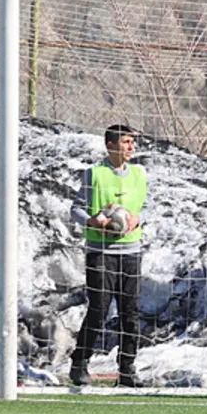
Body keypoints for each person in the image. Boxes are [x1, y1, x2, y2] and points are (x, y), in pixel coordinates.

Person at [69, 124, 147, 388]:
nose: (131, 147)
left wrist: (137, 219)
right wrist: (93, 221)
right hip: (101, 253)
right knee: (99, 310)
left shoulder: (139, 174)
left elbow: (147, 208)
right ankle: (79, 364)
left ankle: (127, 370)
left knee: (131, 313)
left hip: (131, 252)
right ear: (111, 146)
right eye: (125, 142)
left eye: (132, 142)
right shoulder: (94, 174)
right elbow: (76, 209)